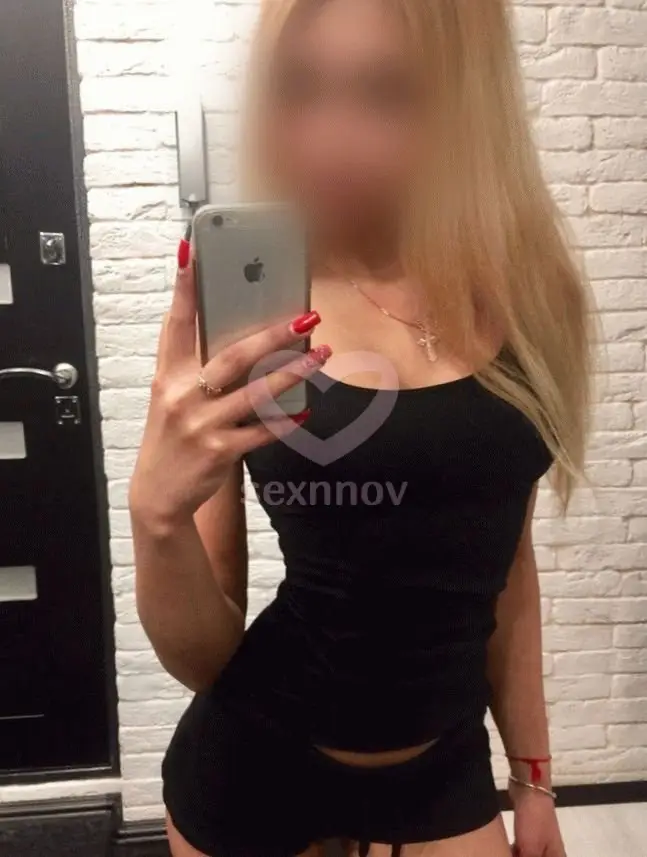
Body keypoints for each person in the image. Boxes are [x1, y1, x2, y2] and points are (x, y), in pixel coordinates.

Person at [129, 1, 592, 855]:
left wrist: (532, 780)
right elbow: (207, 655)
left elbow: (507, 572)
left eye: (387, 92)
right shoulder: (251, 309)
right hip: (254, 763)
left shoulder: (528, 296)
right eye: (299, 88)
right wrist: (156, 518)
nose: (328, 139)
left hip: (441, 769)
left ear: (467, 103)